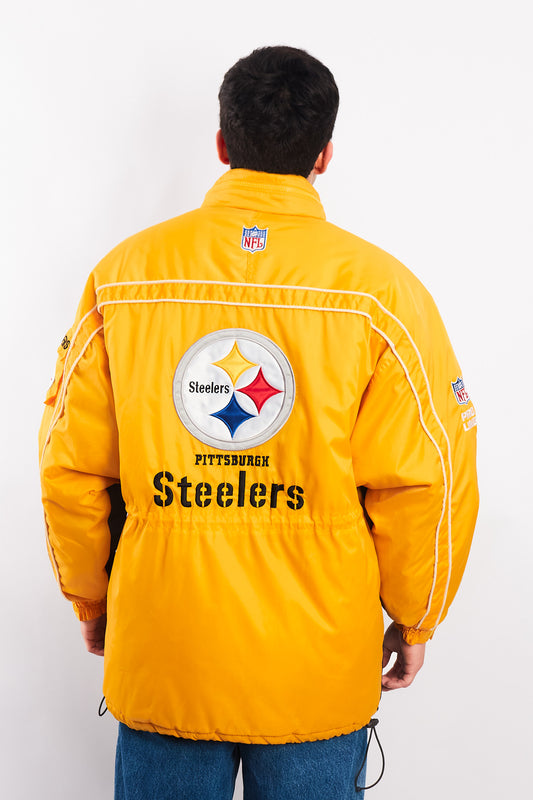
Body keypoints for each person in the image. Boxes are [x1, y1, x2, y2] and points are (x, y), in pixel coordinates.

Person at [39, 46, 479, 799]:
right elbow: (429, 478)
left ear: (221, 144)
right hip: (316, 667)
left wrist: (93, 596)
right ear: (325, 154)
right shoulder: (383, 293)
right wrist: (416, 620)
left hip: (167, 648)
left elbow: (69, 462)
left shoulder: (124, 275)